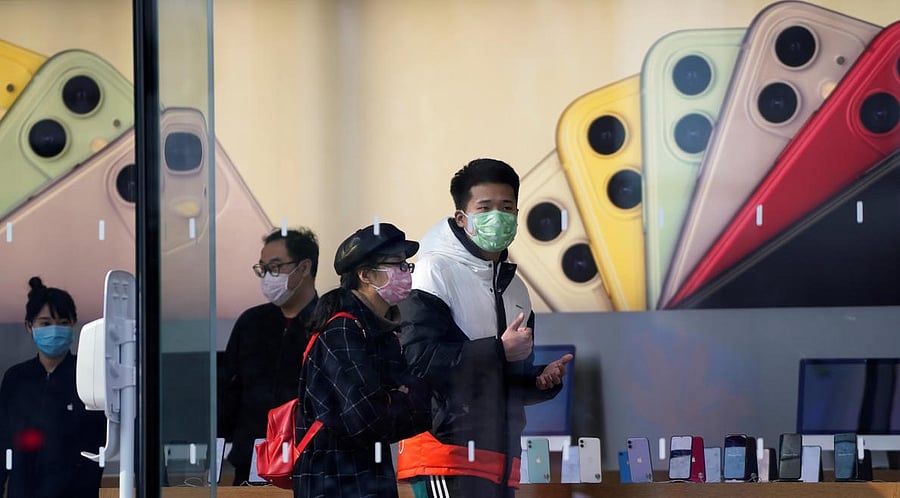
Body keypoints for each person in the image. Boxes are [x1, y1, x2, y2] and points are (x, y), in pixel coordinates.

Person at [396, 158, 574, 497]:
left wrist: (537, 381)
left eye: (507, 207)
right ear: (462, 218)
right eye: (485, 207)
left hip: (500, 455)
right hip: (445, 453)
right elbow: (419, 361)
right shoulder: (432, 272)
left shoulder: (516, 287)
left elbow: (498, 375)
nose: (498, 217)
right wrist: (499, 350)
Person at [293, 223, 433, 498]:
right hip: (335, 481)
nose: (405, 272)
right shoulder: (343, 329)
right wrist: (413, 399)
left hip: (368, 476)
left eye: (406, 265)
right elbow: (367, 419)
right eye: (396, 265)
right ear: (366, 275)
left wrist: (397, 398)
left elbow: (389, 403)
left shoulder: (379, 328)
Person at [219, 227, 320, 486]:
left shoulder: (327, 322)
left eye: (275, 267)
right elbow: (228, 390)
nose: (267, 277)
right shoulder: (252, 322)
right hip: (250, 458)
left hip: (311, 463)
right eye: (262, 269)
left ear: (304, 267)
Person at [0, 277, 106, 498]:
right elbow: (3, 443)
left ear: (73, 324)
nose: (55, 330)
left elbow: (104, 441)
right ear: (29, 326)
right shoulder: (16, 379)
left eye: (63, 322)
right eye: (46, 323)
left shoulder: (88, 375)